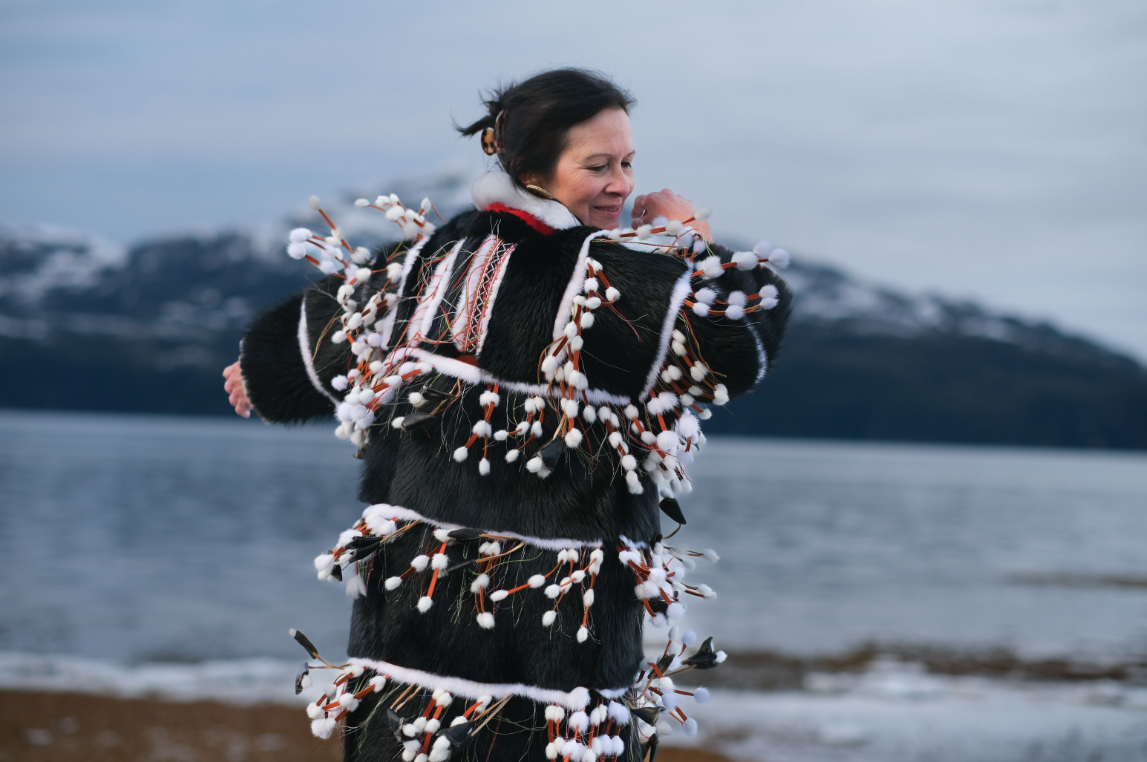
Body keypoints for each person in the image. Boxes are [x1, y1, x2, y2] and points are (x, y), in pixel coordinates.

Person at [223, 68, 791, 762]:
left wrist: (258, 370)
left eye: (627, 163)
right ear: (530, 170)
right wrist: (690, 237)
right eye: (598, 166)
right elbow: (740, 342)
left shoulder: (433, 258)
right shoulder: (601, 284)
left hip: (410, 651)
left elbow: (332, 329)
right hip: (545, 665)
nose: (620, 185)